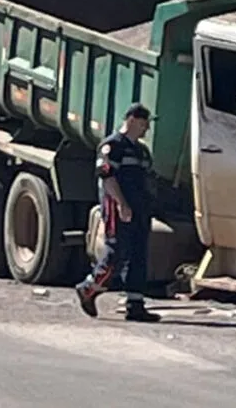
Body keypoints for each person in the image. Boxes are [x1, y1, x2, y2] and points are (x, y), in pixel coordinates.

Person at [75, 102, 161, 323]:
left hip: (141, 209)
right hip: (118, 207)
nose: (146, 130)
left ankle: (135, 304)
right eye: (144, 124)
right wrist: (122, 204)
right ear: (132, 120)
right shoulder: (112, 146)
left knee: (139, 255)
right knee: (117, 252)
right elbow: (108, 177)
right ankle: (88, 288)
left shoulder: (141, 150)